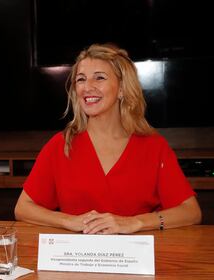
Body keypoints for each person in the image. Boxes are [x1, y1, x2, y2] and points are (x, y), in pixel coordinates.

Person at [14, 43, 202, 234]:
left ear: (122, 89)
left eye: (99, 78)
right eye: (81, 79)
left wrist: (134, 223)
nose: (87, 87)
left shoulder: (154, 146)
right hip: (77, 258)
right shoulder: (61, 145)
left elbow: (191, 212)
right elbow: (23, 208)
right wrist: (69, 221)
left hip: (135, 259)